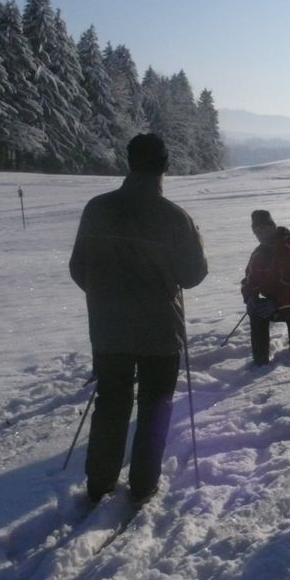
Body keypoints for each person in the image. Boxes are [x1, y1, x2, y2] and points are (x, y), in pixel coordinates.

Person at [69, 133, 208, 506]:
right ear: (165, 166)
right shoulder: (174, 217)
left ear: (128, 163)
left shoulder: (97, 208)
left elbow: (78, 268)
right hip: (159, 331)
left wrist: (106, 298)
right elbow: (193, 275)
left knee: (111, 403)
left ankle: (99, 483)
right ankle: (144, 484)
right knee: (155, 404)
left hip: (108, 329)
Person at [240, 210, 290, 366]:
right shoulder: (258, 254)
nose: (261, 233)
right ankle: (260, 363)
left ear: (273, 227)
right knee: (255, 311)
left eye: (265, 228)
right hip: (274, 305)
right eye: (257, 230)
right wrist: (249, 298)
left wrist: (276, 303)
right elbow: (249, 280)